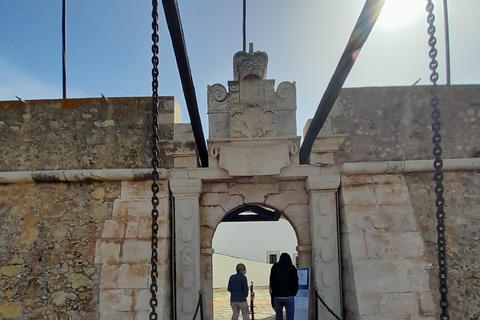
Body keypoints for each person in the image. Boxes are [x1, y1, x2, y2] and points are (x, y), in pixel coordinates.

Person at [269, 253, 299, 320]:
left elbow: (272, 281)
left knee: (278, 316)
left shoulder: (275, 267)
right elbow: (295, 281)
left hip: (277, 296)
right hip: (289, 295)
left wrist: (273, 293)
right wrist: (294, 293)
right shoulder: (291, 268)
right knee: (290, 316)